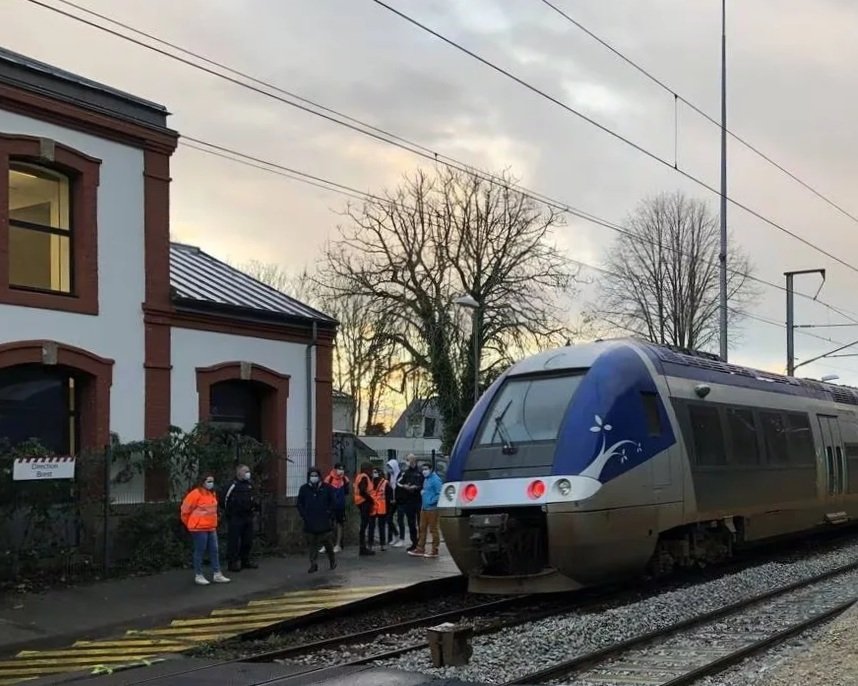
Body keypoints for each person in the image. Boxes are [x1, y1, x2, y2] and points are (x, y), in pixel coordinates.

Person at [180, 474, 230, 586]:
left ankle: (217, 573)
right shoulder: (195, 494)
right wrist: (190, 523)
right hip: (198, 528)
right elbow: (185, 510)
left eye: (212, 481)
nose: (211, 483)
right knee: (200, 551)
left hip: (211, 526)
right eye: (208, 481)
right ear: (202, 482)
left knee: (214, 550)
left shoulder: (212, 493)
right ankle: (199, 575)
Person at [296, 467, 337, 573]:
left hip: (324, 520)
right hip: (310, 521)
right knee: (312, 543)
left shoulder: (327, 488)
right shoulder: (304, 489)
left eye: (315, 475)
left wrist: (329, 513)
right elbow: (299, 503)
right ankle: (313, 563)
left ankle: (332, 560)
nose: (313, 477)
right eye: (311, 475)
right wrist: (304, 515)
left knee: (327, 542)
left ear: (319, 477)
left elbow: (333, 502)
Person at [222, 464, 259, 572]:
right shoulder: (232, 485)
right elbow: (224, 500)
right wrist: (230, 512)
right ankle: (232, 563)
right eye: (245, 471)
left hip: (247, 517)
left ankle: (245, 560)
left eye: (248, 471)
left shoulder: (249, 485)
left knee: (248, 540)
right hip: (236, 517)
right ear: (239, 473)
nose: (248, 473)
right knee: (233, 541)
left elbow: (254, 497)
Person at [408, 462, 443, 558]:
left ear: (431, 469)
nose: (424, 471)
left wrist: (431, 501)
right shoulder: (426, 480)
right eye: (423, 469)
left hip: (432, 509)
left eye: (426, 469)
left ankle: (434, 549)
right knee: (422, 528)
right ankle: (420, 549)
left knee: (433, 529)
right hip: (424, 508)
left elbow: (439, 493)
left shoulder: (436, 480)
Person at [396, 454, 423, 551]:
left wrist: (416, 487)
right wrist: (405, 487)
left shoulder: (420, 472)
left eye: (408, 460)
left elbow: (424, 484)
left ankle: (421, 543)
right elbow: (398, 482)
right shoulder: (405, 472)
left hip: (419, 500)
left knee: (421, 523)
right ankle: (414, 542)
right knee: (411, 523)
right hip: (409, 501)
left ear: (413, 460)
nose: (407, 462)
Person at [322, 463, 349, 553]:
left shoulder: (345, 479)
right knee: (328, 525)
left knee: (339, 525)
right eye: (339, 469)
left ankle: (338, 545)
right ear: (335, 469)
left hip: (340, 506)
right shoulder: (328, 479)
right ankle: (326, 545)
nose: (341, 471)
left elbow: (346, 492)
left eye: (342, 469)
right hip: (330, 506)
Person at [353, 462, 375, 556]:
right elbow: (362, 491)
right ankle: (363, 548)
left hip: (361, 502)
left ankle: (363, 547)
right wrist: (371, 500)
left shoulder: (360, 476)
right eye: (371, 469)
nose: (372, 472)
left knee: (363, 525)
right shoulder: (364, 477)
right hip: (364, 503)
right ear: (367, 469)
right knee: (364, 525)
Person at [369, 466, 391, 551]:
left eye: (376, 472)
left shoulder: (385, 482)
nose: (374, 474)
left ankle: (382, 544)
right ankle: (370, 544)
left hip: (382, 507)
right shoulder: (370, 482)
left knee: (381, 526)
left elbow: (388, 495)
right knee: (371, 526)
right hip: (372, 507)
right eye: (373, 472)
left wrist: (388, 508)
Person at [385, 456, 402, 547]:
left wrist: (396, 498)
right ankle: (395, 535)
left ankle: (399, 537)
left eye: (390, 467)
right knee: (389, 518)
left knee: (399, 519)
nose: (389, 469)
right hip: (391, 501)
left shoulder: (399, 476)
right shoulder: (389, 477)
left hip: (398, 501)